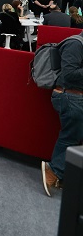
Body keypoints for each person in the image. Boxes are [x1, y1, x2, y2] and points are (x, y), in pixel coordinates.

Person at [42, 33, 83, 196]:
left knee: (73, 137)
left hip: (74, 96)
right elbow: (69, 73)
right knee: (71, 137)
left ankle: (59, 173)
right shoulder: (75, 44)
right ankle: (53, 170)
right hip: (70, 96)